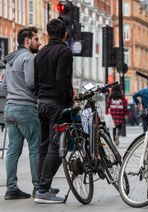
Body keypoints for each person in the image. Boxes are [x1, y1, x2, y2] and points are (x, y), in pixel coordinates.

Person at [34, 18, 74, 203]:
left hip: (41, 103)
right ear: (65, 34)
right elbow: (62, 80)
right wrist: (69, 102)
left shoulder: (40, 53)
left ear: (48, 34)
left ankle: (40, 186)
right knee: (57, 146)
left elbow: (35, 81)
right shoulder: (64, 51)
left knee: (43, 146)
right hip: (56, 105)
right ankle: (43, 190)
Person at [1, 27, 41, 200]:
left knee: (13, 150)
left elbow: (3, 87)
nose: (38, 42)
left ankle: (11, 189)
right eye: (36, 39)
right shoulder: (28, 57)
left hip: (10, 109)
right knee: (35, 147)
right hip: (25, 108)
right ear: (27, 41)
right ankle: (38, 187)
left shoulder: (10, 60)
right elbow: (31, 83)